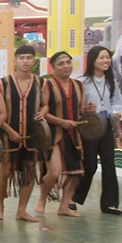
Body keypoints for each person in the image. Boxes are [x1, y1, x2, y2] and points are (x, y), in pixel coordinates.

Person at [0, 43, 44, 223]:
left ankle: (22, 210)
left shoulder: (41, 82)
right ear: (14, 61)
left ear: (34, 61)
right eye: (21, 58)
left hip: (32, 135)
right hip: (7, 135)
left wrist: (44, 111)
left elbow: (46, 103)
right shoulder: (2, 83)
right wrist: (8, 130)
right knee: (4, 171)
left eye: (29, 58)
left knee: (29, 172)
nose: (25, 61)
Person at [75, 45, 122, 215]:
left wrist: (116, 112)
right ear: (93, 61)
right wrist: (85, 109)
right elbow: (77, 106)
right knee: (90, 165)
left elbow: (118, 102)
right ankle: (73, 198)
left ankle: (110, 204)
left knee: (110, 163)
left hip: (106, 126)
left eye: (108, 57)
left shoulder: (112, 82)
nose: (106, 61)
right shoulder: (82, 82)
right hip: (89, 127)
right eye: (101, 58)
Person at [37, 50, 85, 219]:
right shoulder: (48, 85)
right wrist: (60, 122)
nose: (66, 66)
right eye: (61, 64)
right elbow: (43, 111)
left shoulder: (79, 86)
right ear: (53, 68)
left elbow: (81, 110)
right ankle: (42, 200)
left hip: (74, 134)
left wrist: (89, 110)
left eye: (68, 62)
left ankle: (64, 206)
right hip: (54, 134)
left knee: (76, 173)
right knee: (55, 171)